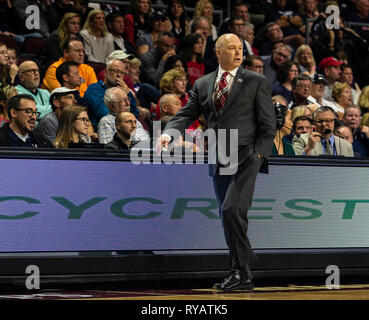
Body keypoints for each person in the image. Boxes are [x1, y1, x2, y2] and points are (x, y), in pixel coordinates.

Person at [156, 33, 276, 291]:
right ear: (218, 52)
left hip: (247, 155)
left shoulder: (256, 81)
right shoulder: (203, 83)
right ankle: (241, 274)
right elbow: (188, 113)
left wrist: (259, 154)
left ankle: (242, 268)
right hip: (220, 155)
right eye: (231, 48)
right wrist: (167, 133)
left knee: (232, 209)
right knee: (228, 216)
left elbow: (268, 123)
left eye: (240, 48)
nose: (237, 52)